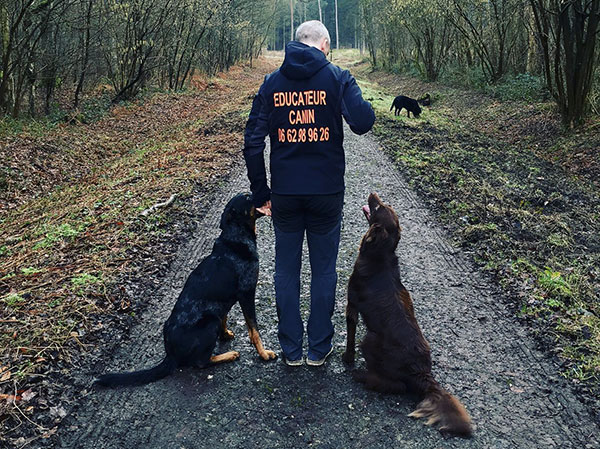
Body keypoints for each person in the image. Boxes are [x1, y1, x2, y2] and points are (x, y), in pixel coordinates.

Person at [243, 20, 375, 366]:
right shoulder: (337, 77)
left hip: (285, 194)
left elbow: (253, 142)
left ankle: (290, 350)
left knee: (285, 269)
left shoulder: (272, 84)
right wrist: (349, 87)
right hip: (326, 193)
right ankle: (318, 349)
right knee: (324, 268)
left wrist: (260, 192)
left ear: (296, 43)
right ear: (325, 45)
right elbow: (363, 122)